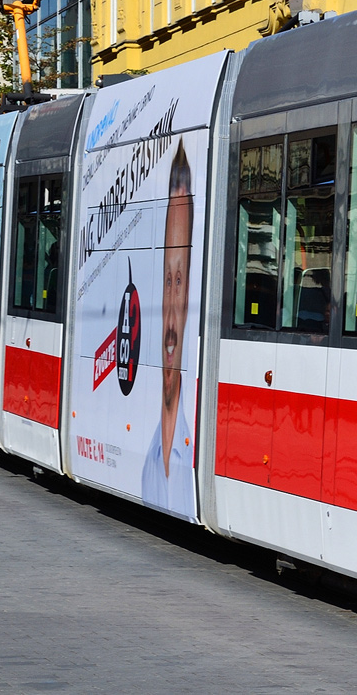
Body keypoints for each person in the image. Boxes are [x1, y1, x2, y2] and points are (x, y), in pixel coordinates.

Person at [142, 139, 196, 513]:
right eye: (167, 280)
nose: (172, 319)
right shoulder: (146, 462)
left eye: (181, 281)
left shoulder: (196, 464)